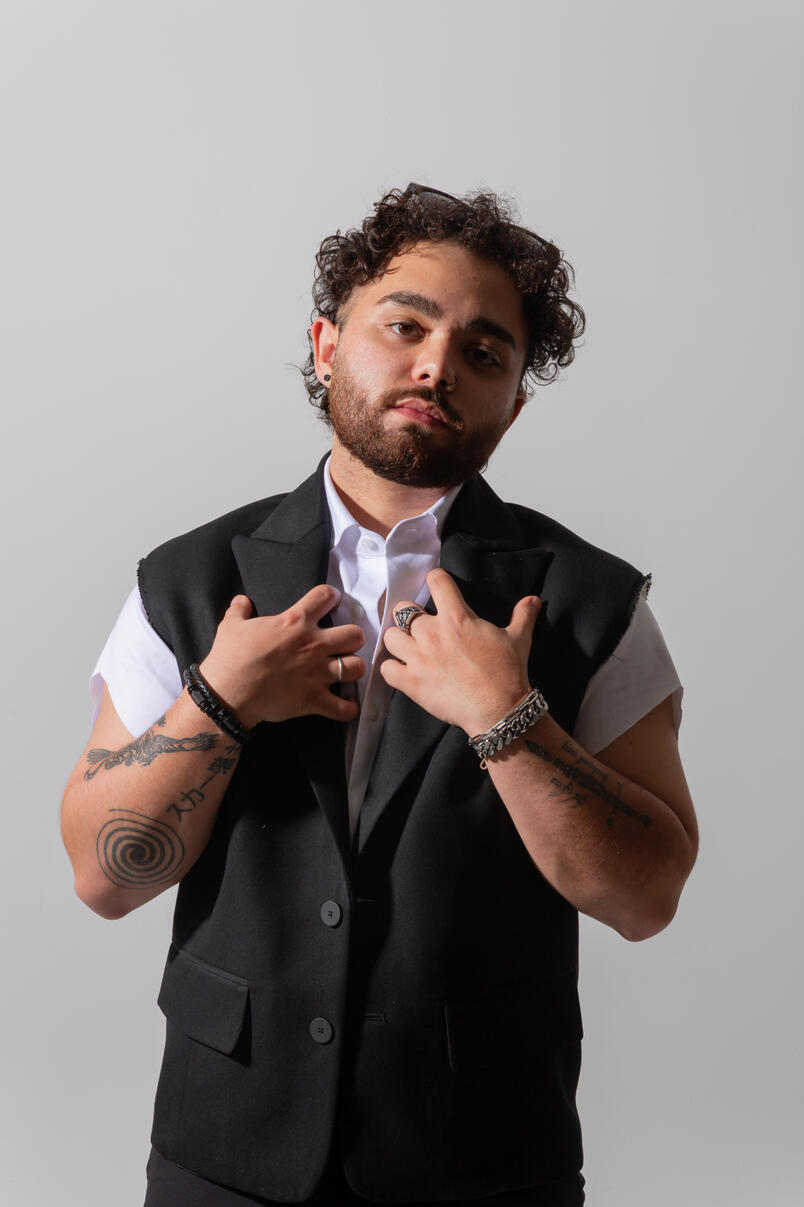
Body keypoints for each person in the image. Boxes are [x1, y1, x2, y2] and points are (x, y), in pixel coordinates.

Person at [61, 183, 698, 1206]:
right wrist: (218, 703)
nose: (438, 363)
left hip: (484, 1158)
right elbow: (106, 875)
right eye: (405, 324)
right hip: (225, 1152)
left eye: (484, 352)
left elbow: (645, 896)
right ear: (325, 344)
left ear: (515, 401)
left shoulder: (592, 603)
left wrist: (508, 719)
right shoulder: (183, 582)